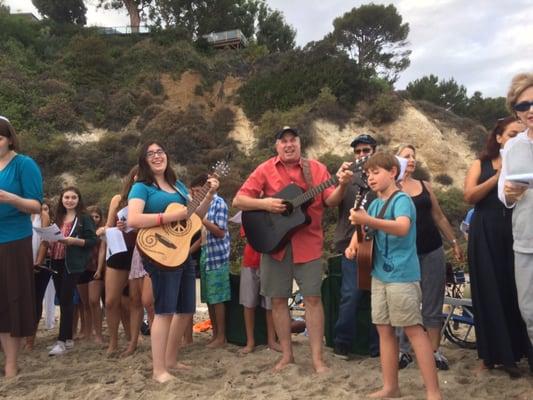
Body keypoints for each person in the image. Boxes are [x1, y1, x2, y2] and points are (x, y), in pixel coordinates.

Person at [232, 126, 352, 373]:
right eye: (283, 141)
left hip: (308, 244)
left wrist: (341, 185)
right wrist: (265, 203)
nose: (288, 144)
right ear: (277, 146)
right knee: (277, 300)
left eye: (293, 140)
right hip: (274, 245)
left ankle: (317, 358)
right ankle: (287, 355)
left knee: (313, 299)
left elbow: (330, 200)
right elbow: (239, 200)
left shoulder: (316, 169)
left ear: (300, 143)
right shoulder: (265, 169)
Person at [346, 152, 441, 400]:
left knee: (413, 330)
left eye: (376, 172)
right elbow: (364, 229)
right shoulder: (374, 204)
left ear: (392, 172)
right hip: (379, 274)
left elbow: (402, 227)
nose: (371, 177)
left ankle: (433, 391)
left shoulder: (402, 200)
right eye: (368, 174)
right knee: (384, 330)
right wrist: (354, 242)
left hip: (402, 275)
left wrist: (367, 220)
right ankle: (391, 387)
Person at [128, 141, 219, 383]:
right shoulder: (141, 187)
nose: (157, 156)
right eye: (151, 154)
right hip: (159, 253)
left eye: (160, 152)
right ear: (144, 160)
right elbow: (133, 219)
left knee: (185, 309)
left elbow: (196, 215)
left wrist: (208, 194)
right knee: (164, 311)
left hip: (183, 252)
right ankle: (159, 371)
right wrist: (169, 216)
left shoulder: (178, 186)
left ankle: (171, 360)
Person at [464, 116, 530, 377]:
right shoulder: (480, 163)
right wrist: (499, 178)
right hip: (486, 232)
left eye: (521, 134)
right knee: (488, 291)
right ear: (499, 137)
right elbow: (469, 196)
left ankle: (521, 352)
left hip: (517, 231)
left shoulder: (527, 160)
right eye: (512, 134)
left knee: (518, 292)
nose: (518, 138)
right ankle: (492, 356)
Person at [395, 144, 463, 370]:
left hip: (432, 249)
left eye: (413, 156)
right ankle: (403, 351)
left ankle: (434, 351)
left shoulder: (424, 185)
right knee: (407, 303)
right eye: (406, 156)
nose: (412, 160)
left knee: (433, 303)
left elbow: (439, 216)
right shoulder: (390, 187)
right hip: (405, 254)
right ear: (396, 160)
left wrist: (453, 242)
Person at [330, 133, 379, 360]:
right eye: (357, 151)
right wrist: (342, 183)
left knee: (377, 296)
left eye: (366, 150)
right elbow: (331, 202)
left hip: (380, 244)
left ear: (374, 152)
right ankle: (342, 342)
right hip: (350, 244)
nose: (361, 155)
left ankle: (377, 346)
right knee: (351, 293)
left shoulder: (383, 177)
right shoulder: (347, 178)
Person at [0, 116, 43, 378]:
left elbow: (36, 205)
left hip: (13, 241)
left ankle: (12, 363)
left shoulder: (23, 165)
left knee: (11, 300)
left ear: (10, 138)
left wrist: (11, 198)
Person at [498, 73, 533, 349]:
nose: (530, 110)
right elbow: (504, 191)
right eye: (523, 105)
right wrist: (509, 194)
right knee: (530, 313)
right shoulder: (511, 146)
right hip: (525, 241)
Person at [47, 186, 97, 356]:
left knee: (67, 299)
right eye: (66, 197)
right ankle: (68, 339)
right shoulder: (58, 217)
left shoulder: (84, 218)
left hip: (73, 263)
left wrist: (74, 242)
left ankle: (61, 341)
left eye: (73, 197)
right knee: (63, 299)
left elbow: (92, 240)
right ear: (61, 199)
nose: (69, 200)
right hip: (56, 261)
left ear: (78, 199)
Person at [102, 166, 138, 355]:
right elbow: (108, 226)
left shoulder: (148, 199)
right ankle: (113, 342)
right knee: (110, 301)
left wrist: (133, 226)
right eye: (136, 176)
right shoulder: (118, 200)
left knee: (133, 300)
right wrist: (114, 227)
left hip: (138, 250)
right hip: (117, 249)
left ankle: (132, 340)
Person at [191, 174, 231, 349]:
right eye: (193, 193)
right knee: (208, 297)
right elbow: (203, 237)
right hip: (206, 254)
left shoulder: (218, 203)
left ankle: (221, 336)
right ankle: (215, 334)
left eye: (198, 192)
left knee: (218, 297)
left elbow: (220, 232)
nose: (195, 196)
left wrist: (201, 218)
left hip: (218, 256)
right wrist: (188, 252)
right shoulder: (202, 205)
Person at [239, 224, 280, 353]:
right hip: (250, 260)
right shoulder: (250, 211)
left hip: (270, 259)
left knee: (270, 304)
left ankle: (272, 340)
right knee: (248, 303)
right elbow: (247, 234)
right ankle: (250, 341)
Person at [77, 205, 106, 344]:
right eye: (92, 216)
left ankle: (98, 334)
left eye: (97, 216)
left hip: (95, 268)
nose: (94, 219)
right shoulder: (80, 231)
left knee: (94, 301)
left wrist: (99, 269)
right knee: (85, 303)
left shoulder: (102, 233)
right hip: (81, 268)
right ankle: (88, 332)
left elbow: (102, 251)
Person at [26, 200, 52, 350]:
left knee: (35, 300)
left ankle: (31, 340)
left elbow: (45, 240)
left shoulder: (42, 215)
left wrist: (38, 261)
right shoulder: (16, 213)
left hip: (37, 264)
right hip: (18, 264)